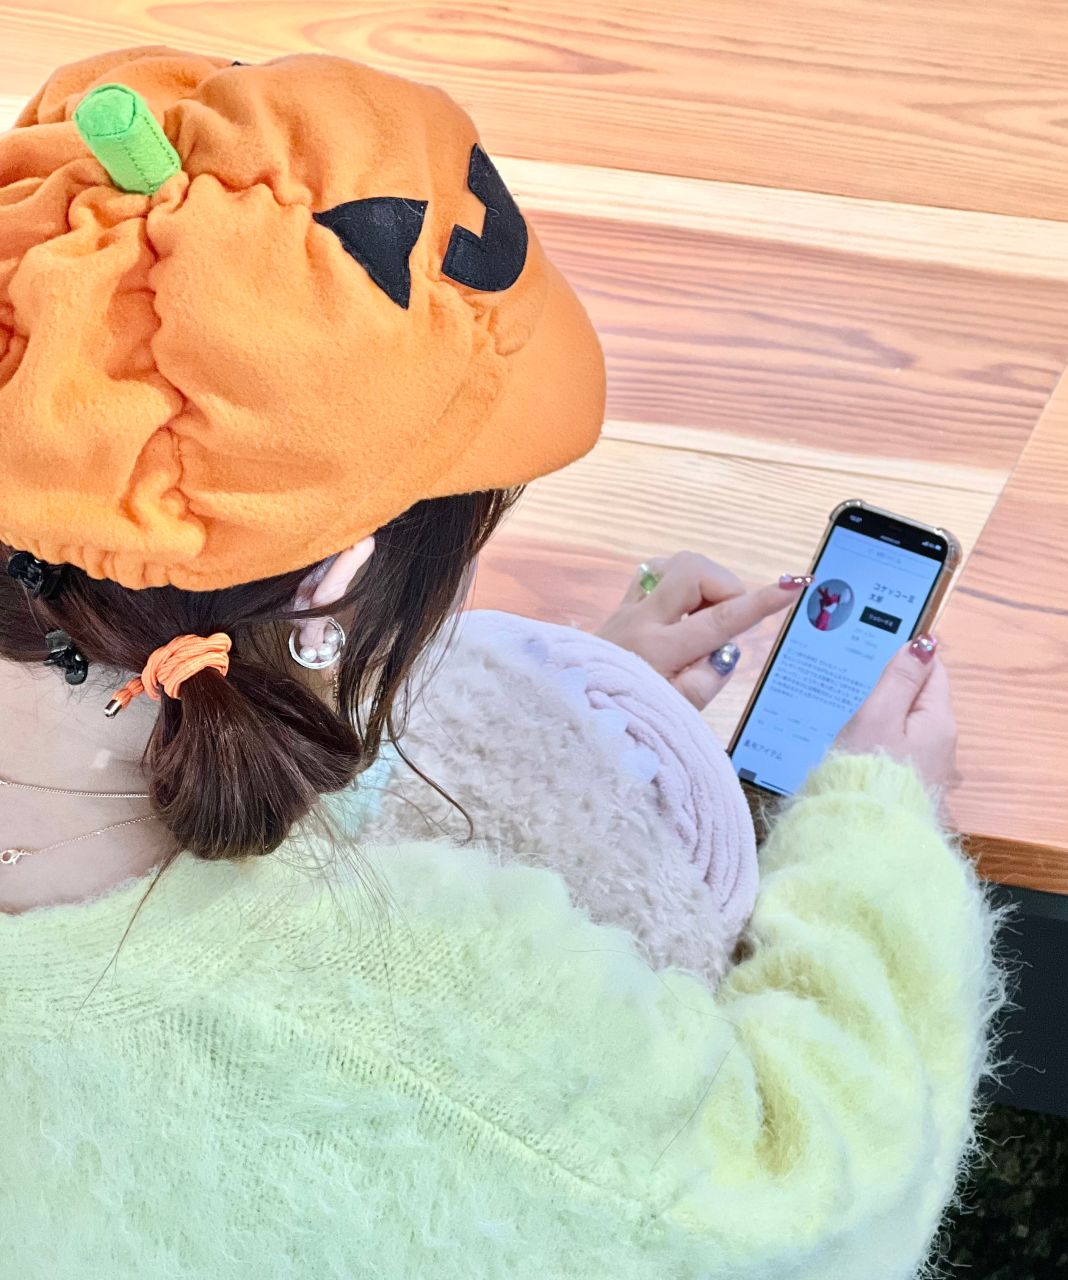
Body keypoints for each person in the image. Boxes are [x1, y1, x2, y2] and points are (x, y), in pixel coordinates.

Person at [0, 47, 1000, 1279]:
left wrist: (566, 709)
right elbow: (813, 1202)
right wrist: (881, 827)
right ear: (332, 582)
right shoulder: (419, 1011)